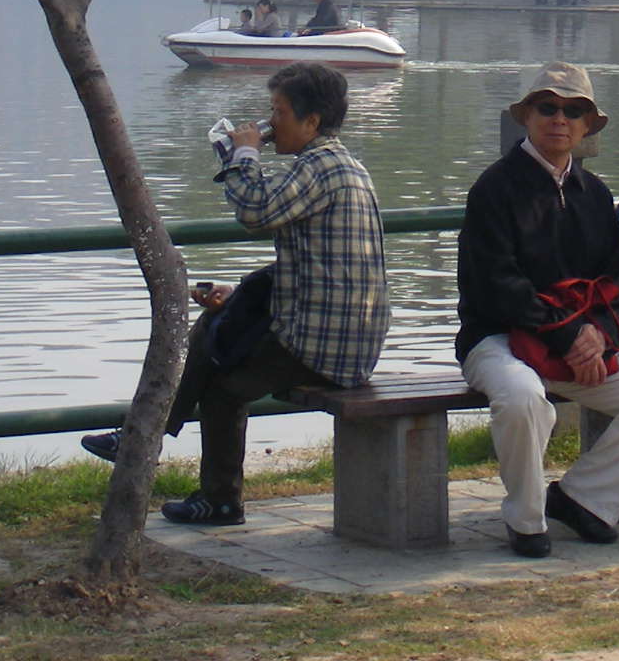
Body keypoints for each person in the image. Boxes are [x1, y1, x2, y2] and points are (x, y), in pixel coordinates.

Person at [82, 63, 389, 527]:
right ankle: (150, 444)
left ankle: (186, 473)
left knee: (222, 385)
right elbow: (317, 264)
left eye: (278, 112)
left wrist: (243, 153)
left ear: (311, 122)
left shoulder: (321, 168)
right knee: (216, 328)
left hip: (326, 345)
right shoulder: (337, 165)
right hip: (343, 336)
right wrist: (239, 293)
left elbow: (255, 211)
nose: (269, 122)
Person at [456, 62, 619, 558]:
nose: (560, 119)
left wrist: (598, 335)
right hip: (497, 340)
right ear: (527, 117)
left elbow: (614, 280)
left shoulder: (595, 194)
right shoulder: (494, 188)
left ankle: (583, 498)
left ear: (587, 126)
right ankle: (525, 519)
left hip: (577, 344)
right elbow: (496, 286)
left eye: (574, 111)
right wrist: (568, 335)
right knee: (522, 398)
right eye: (548, 107)